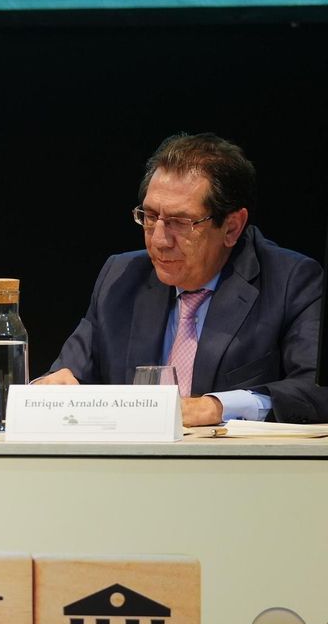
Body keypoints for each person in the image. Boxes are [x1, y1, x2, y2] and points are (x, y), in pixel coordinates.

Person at [36, 133, 327, 425]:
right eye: (149, 217)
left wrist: (216, 406)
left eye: (179, 222)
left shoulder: (290, 281)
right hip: (131, 466)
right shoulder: (121, 277)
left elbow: (316, 391)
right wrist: (46, 390)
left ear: (232, 227)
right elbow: (65, 376)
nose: (159, 240)